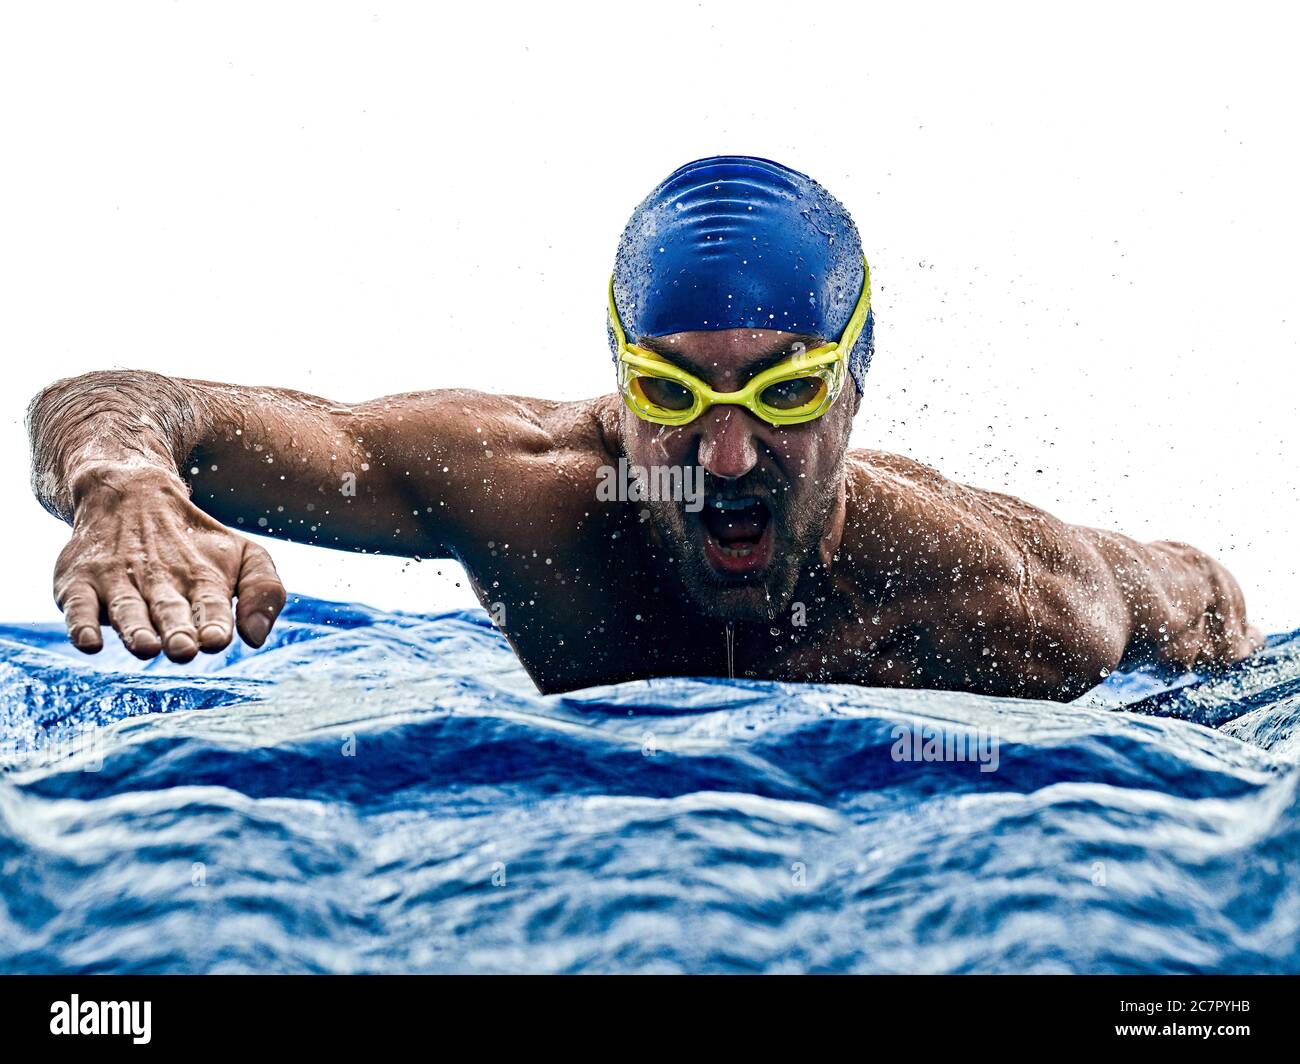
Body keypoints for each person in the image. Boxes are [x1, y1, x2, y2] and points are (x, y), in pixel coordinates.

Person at [26, 156, 1259, 698]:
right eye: (671, 398)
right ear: (617, 384)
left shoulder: (1010, 595)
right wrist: (124, 482)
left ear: (854, 388)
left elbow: (1194, 599)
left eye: (782, 397)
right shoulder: (524, 495)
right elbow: (118, 397)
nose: (724, 458)